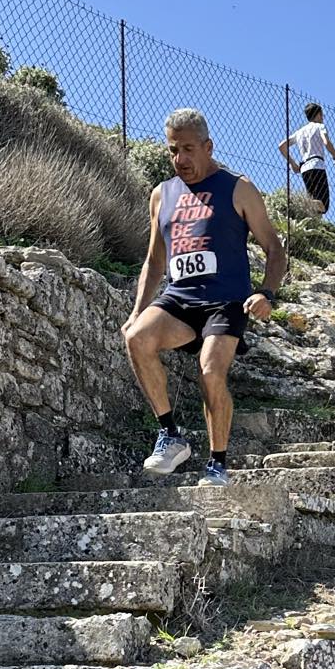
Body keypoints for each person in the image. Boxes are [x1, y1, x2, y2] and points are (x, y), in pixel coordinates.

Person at [124, 107, 287, 485]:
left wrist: (268, 293)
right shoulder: (161, 195)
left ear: (208, 146)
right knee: (136, 337)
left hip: (226, 301)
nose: (180, 159)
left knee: (211, 370)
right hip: (179, 299)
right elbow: (154, 261)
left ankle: (218, 465)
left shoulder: (238, 188)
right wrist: (137, 311)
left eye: (188, 149)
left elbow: (275, 250)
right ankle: (170, 435)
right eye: (172, 150)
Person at [279, 101, 335, 214]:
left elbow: (282, 146)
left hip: (304, 168)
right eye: (322, 114)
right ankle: (299, 202)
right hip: (317, 165)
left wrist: (293, 163)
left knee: (315, 206)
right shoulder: (319, 126)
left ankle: (306, 205)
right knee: (324, 205)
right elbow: (326, 142)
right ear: (318, 114)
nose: (323, 117)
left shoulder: (300, 132)